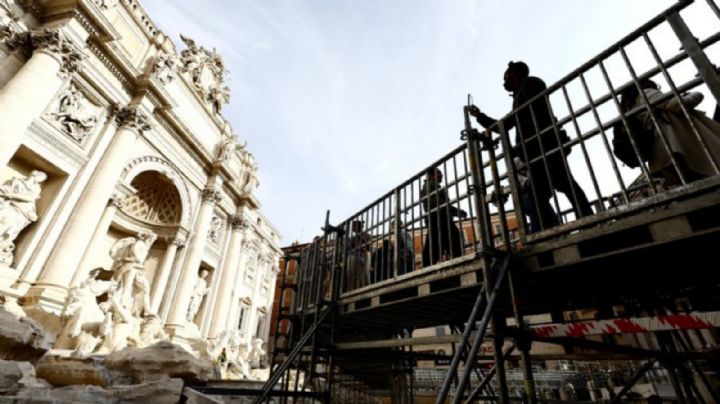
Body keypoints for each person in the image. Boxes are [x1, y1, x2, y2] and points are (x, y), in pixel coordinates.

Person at [469, 61, 593, 232]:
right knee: (551, 192)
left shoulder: (531, 85)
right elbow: (508, 124)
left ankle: (584, 223)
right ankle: (570, 226)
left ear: (514, 73)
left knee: (562, 188)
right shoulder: (523, 92)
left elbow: (509, 123)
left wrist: (483, 118)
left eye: (506, 78)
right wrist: (481, 116)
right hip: (537, 151)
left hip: (544, 147)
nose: (504, 83)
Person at [623, 79, 720, 187]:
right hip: (675, 145)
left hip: (662, 152)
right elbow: (679, 105)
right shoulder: (645, 94)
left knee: (697, 186)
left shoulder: (630, 108)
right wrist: (696, 94)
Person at [421, 168, 467, 267]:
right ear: (431, 175)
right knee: (450, 242)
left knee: (438, 245)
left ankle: (458, 263)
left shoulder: (432, 186)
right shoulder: (429, 185)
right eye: (439, 173)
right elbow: (438, 202)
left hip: (439, 219)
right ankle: (460, 264)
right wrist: (457, 211)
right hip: (439, 219)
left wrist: (455, 211)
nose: (442, 175)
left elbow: (441, 203)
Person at [346, 220, 371, 291]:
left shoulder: (366, 235)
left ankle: (364, 289)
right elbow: (350, 248)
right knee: (353, 275)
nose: (352, 228)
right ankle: (353, 289)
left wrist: (360, 238)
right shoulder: (353, 237)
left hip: (363, 256)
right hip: (354, 257)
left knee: (363, 275)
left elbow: (368, 247)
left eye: (353, 226)